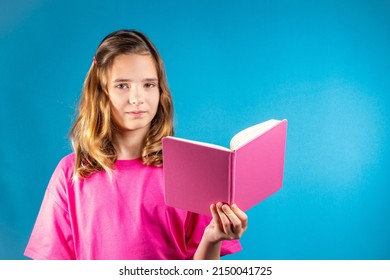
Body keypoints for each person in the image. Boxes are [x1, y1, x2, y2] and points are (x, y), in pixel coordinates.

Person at [24, 29, 248, 260]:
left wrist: (212, 238)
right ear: (101, 93)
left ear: (161, 91)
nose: (137, 98)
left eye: (148, 84)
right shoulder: (71, 173)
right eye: (122, 85)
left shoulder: (187, 172)